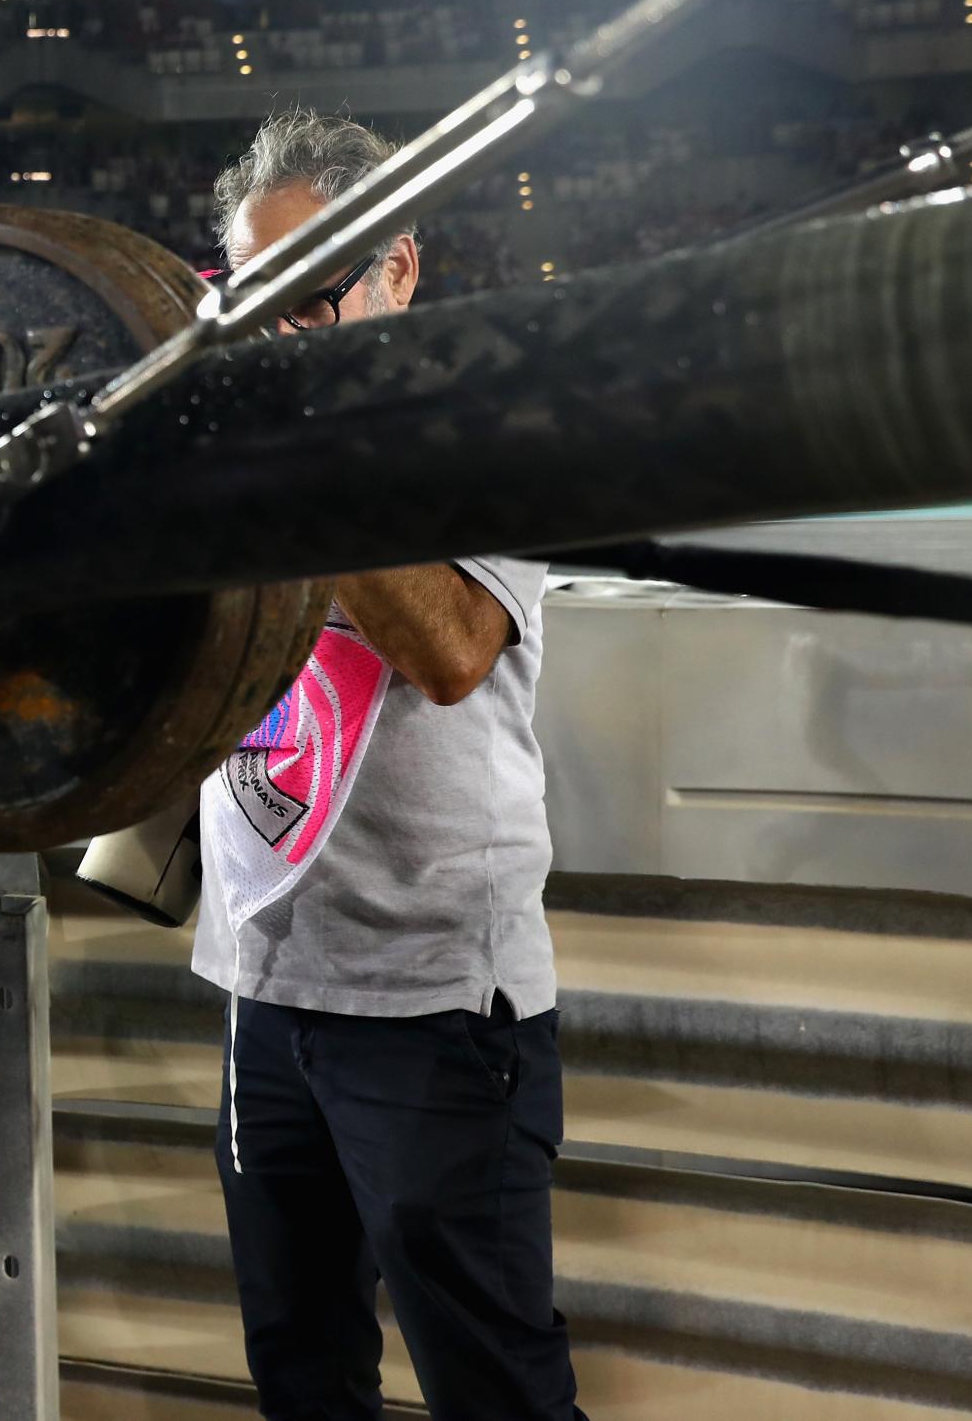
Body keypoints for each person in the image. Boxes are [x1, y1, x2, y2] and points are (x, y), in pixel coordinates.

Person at [196, 110, 585, 1421]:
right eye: (251, 302)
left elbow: (450, 644)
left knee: (498, 1389)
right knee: (302, 1371)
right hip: (265, 973)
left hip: (432, 1002)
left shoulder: (488, 413)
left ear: (400, 269)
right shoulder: (213, 415)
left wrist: (287, 453)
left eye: (314, 299)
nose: (280, 332)